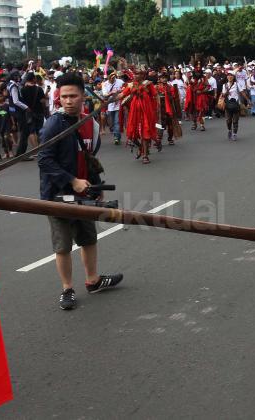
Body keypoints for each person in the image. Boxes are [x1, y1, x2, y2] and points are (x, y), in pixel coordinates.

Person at [37, 72, 123, 310]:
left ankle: (93, 280)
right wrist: (72, 180)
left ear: (83, 96)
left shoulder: (91, 124)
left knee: (88, 239)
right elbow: (44, 160)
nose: (68, 101)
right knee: (63, 245)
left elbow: (88, 157)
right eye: (64, 96)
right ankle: (67, 289)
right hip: (57, 196)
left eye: (73, 96)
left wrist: (95, 185)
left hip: (83, 195)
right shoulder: (53, 125)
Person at [118, 70, 158, 164]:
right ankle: (141, 148)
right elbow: (122, 95)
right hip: (134, 113)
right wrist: (110, 100)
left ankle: (145, 156)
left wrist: (157, 108)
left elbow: (155, 96)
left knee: (145, 133)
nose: (136, 75)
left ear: (143, 75)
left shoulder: (148, 84)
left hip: (146, 112)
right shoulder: (131, 85)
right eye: (135, 74)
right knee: (132, 134)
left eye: (138, 74)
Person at [156, 73, 182, 146]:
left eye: (165, 78)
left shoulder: (170, 87)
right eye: (162, 78)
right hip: (160, 109)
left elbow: (174, 97)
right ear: (159, 79)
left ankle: (170, 138)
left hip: (170, 108)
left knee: (170, 125)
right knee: (159, 125)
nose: (164, 79)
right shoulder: (156, 87)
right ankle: (158, 139)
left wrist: (168, 95)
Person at [102, 72, 124, 145]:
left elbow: (125, 88)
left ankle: (116, 137)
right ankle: (116, 135)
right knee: (111, 123)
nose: (113, 78)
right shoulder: (105, 84)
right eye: (111, 77)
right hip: (110, 105)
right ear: (108, 76)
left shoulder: (120, 81)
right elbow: (105, 95)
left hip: (119, 105)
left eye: (114, 77)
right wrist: (111, 93)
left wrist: (121, 91)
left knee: (117, 121)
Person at [221, 72, 242, 141]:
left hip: (236, 104)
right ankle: (229, 130)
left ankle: (234, 134)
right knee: (228, 120)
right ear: (227, 77)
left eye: (231, 75)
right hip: (228, 104)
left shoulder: (237, 84)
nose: (230, 77)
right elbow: (223, 95)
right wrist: (226, 93)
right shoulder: (224, 85)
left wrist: (248, 100)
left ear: (233, 77)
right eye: (228, 75)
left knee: (235, 120)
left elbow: (242, 92)